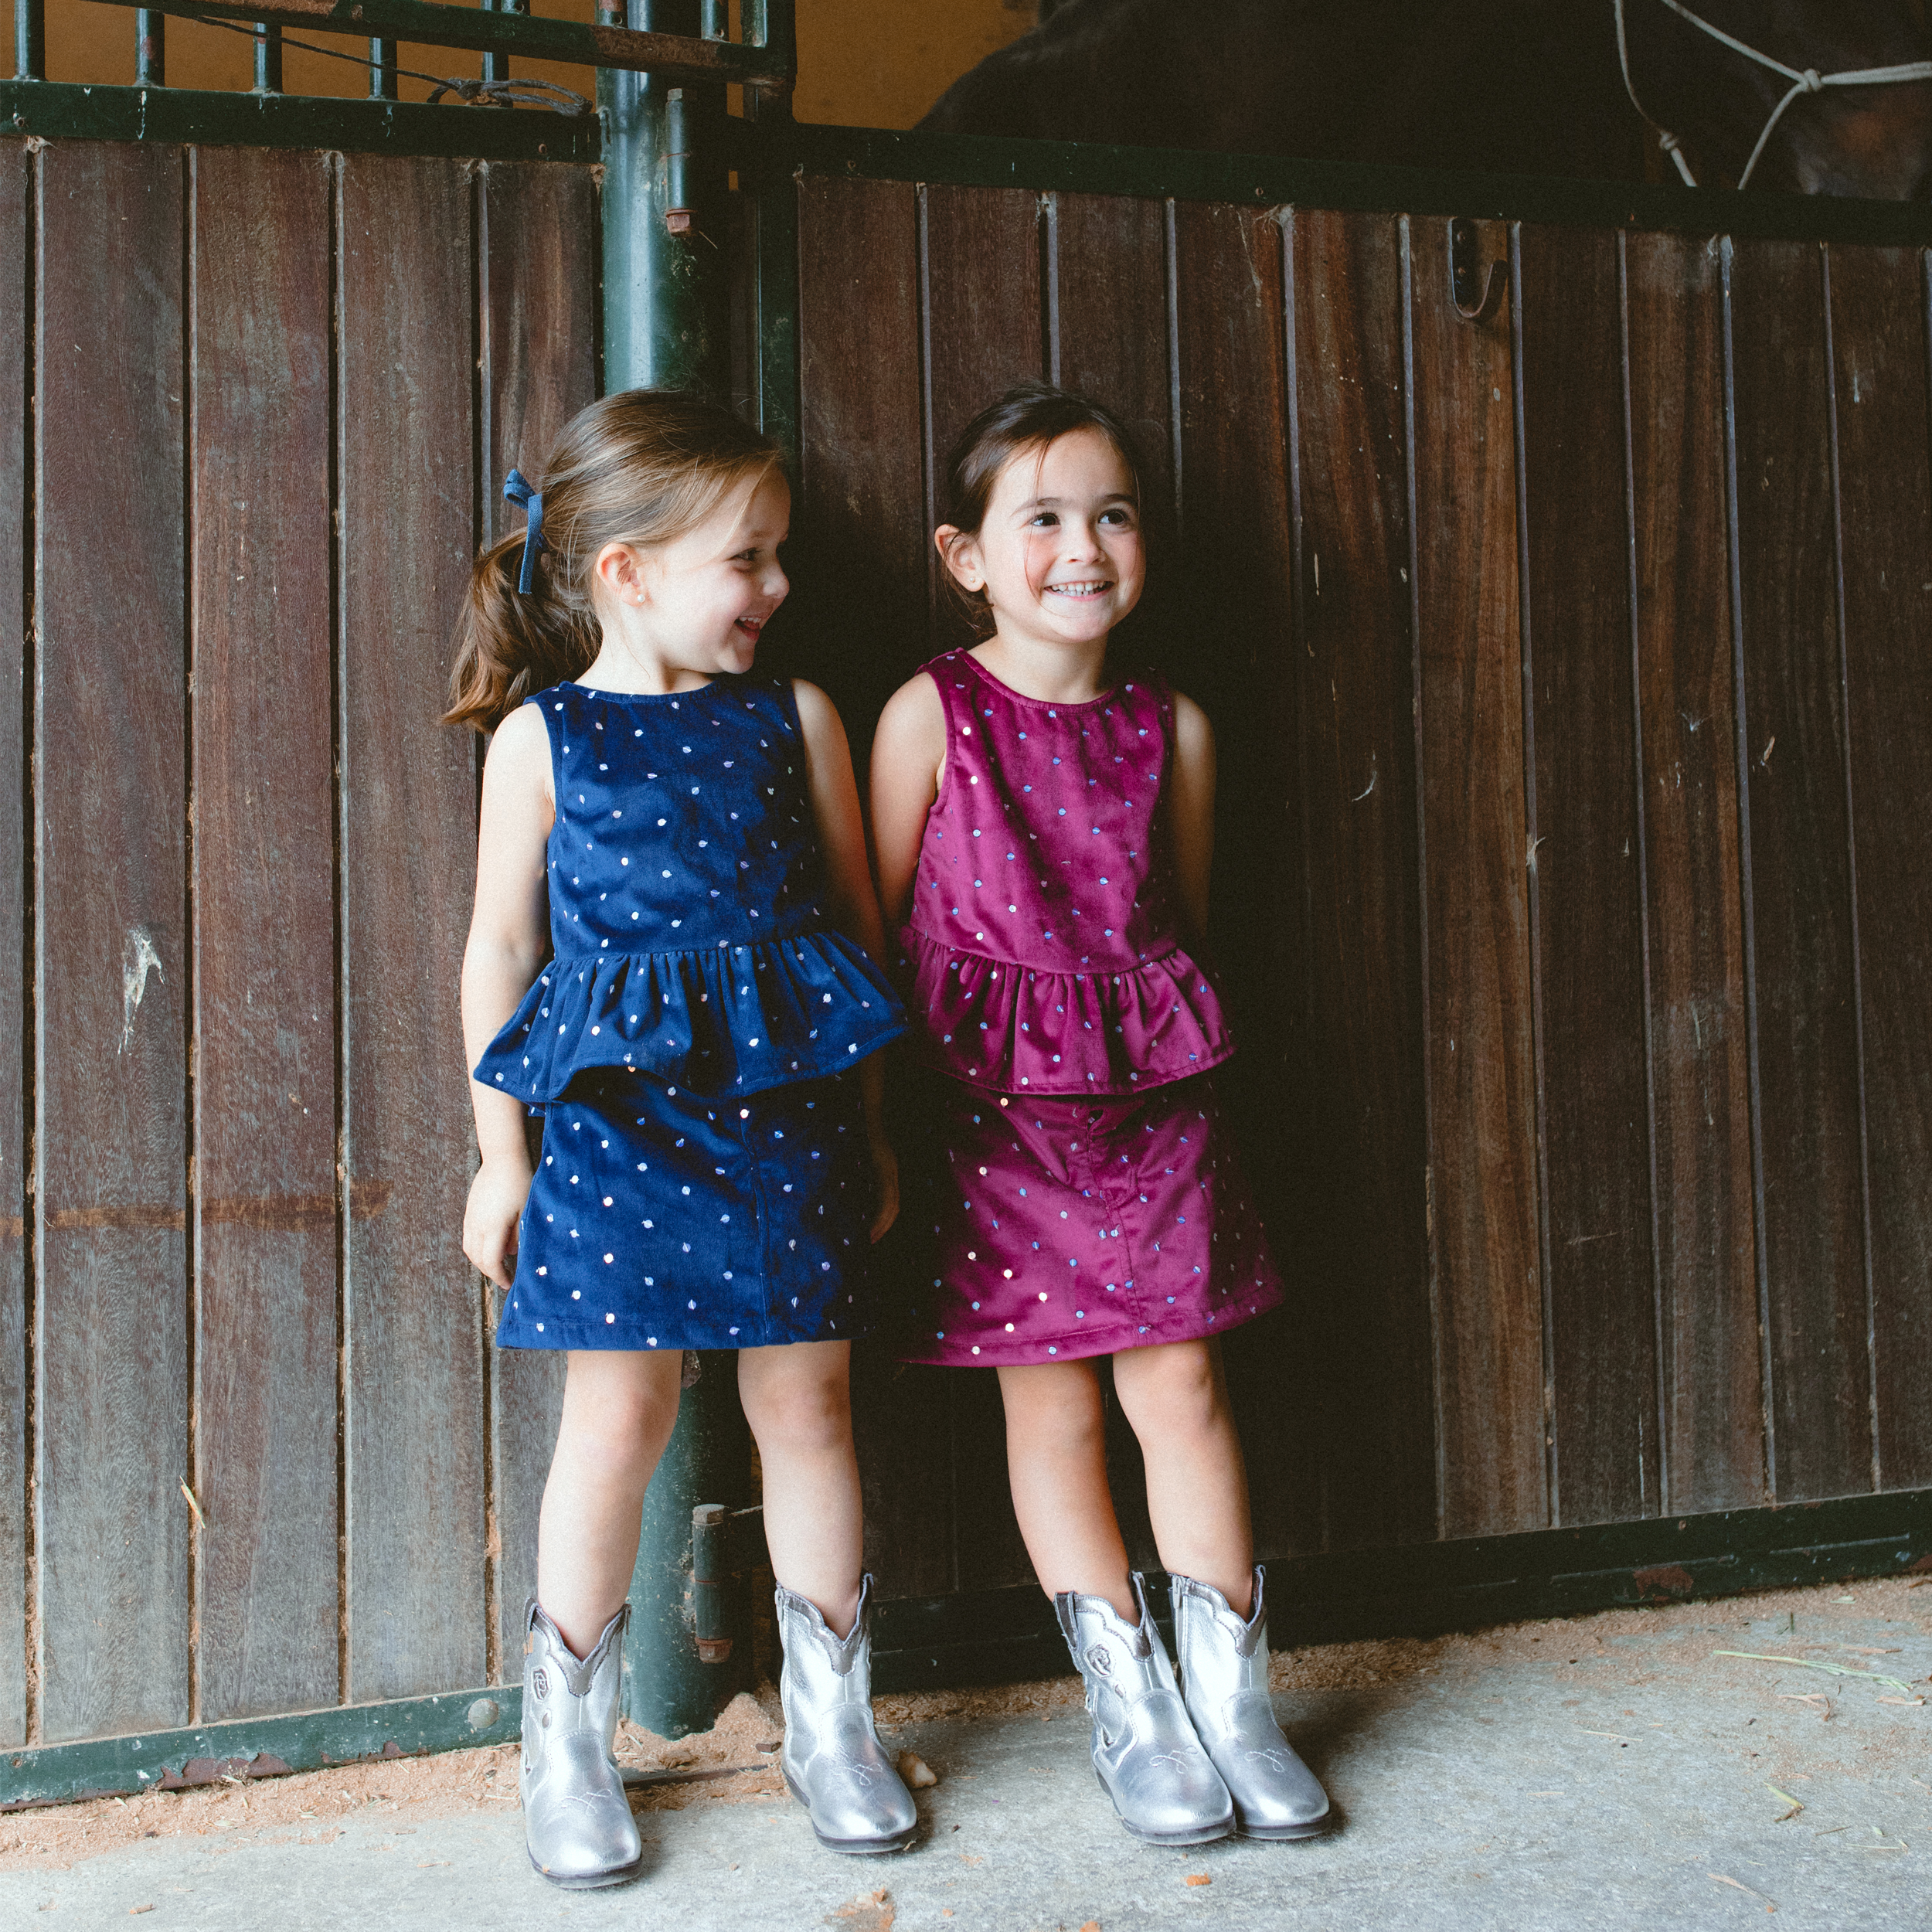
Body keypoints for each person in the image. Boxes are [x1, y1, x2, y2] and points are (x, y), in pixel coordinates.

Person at [451, 390, 917, 1889]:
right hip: (613, 1134)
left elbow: (851, 927)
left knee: (813, 1413)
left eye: (776, 554)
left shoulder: (796, 716)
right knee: (616, 1425)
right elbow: (496, 949)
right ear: (627, 571)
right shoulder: (544, 737)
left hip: (783, 1128)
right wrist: (498, 1156)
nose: (775, 589)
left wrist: (872, 1119)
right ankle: (568, 1741)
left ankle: (833, 1722)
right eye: (747, 557)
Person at [869, 381, 1331, 1848]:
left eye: (1111, 515)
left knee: (1181, 1391)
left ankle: (1235, 1699)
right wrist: (876, 1127)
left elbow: (1173, 918)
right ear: (968, 556)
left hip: (1153, 1114)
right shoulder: (928, 712)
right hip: (992, 1119)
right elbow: (872, 932)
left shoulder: (1170, 726)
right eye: (1044, 519)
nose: (1083, 548)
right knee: (1053, 1407)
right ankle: (1129, 1705)